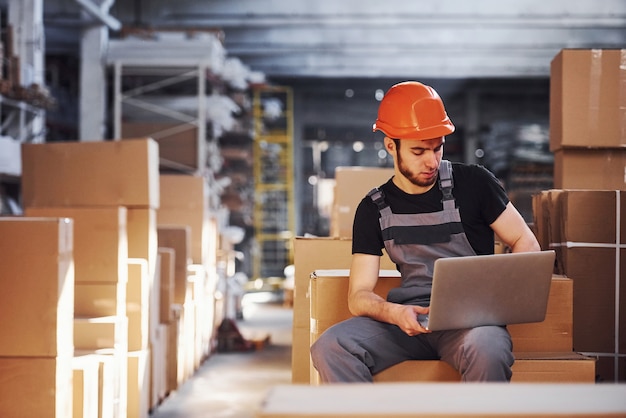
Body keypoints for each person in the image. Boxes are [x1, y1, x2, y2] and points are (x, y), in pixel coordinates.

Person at [310, 81, 541, 383]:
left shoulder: (475, 184)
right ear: (391, 145)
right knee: (331, 347)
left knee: (487, 347)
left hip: (470, 325)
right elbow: (359, 295)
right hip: (407, 322)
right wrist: (394, 314)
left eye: (437, 148)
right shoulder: (373, 208)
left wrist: (493, 304)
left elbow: (526, 241)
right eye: (418, 151)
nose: (431, 161)